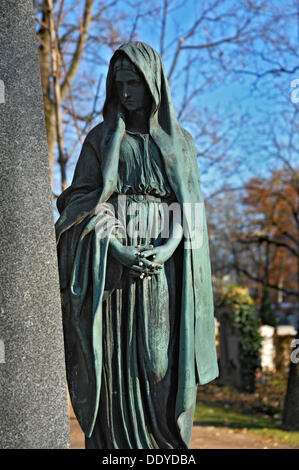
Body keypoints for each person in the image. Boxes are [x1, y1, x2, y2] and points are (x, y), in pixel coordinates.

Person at [55, 41, 218, 449]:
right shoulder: (101, 139)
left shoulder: (182, 143)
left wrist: (165, 250)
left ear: (153, 85)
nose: (126, 92)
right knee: (114, 367)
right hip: (110, 269)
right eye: (118, 83)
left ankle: (163, 449)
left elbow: (190, 210)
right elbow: (80, 201)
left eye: (134, 83)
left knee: (158, 363)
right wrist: (114, 246)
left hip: (161, 266)